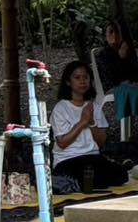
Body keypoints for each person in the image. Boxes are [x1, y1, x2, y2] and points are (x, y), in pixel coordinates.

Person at [51, 61, 129, 189]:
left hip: (92, 157)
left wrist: (92, 123)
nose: (82, 81)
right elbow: (62, 143)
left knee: (121, 175)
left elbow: (101, 143)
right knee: (91, 179)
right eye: (77, 78)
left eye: (85, 77)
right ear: (68, 82)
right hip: (68, 160)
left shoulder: (95, 108)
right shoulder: (61, 108)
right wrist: (83, 122)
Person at [94, 20, 138, 139]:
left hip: (133, 83)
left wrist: (127, 57)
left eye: (117, 32)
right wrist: (121, 59)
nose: (114, 36)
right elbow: (111, 78)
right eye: (110, 32)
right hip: (115, 87)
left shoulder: (126, 49)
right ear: (105, 36)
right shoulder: (102, 54)